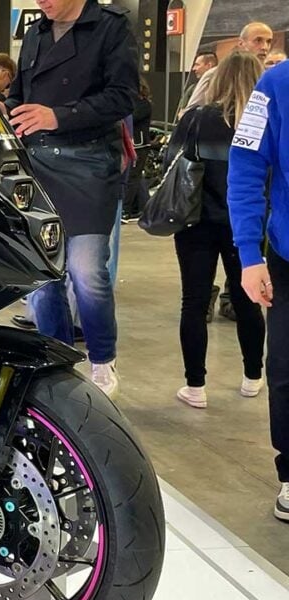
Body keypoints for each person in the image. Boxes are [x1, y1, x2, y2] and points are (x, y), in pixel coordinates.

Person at [6, 0, 137, 398]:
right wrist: (5, 110)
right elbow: (19, 94)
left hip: (89, 164)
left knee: (86, 271)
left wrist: (58, 115)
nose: (40, 1)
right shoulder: (36, 32)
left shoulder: (111, 27)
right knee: (43, 275)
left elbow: (123, 97)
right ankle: (56, 360)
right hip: (37, 165)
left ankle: (102, 359)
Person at [168, 52, 266, 410]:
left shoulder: (195, 118)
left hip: (195, 220)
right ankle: (252, 377)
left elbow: (170, 163)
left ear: (219, 78)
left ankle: (195, 385)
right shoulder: (264, 121)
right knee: (248, 300)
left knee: (193, 303)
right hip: (247, 225)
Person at [228, 54, 289, 520]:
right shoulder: (274, 85)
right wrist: (249, 254)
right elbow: (246, 165)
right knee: (285, 369)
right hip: (287, 256)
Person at [182, 22, 272, 114]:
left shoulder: (270, 77)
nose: (264, 47)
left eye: (268, 42)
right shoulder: (215, 74)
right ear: (241, 44)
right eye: (258, 40)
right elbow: (191, 113)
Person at [122, 77, 153, 220]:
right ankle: (141, 207)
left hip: (139, 145)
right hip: (134, 144)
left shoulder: (143, 104)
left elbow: (132, 117)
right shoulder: (137, 103)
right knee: (136, 178)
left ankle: (126, 209)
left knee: (133, 177)